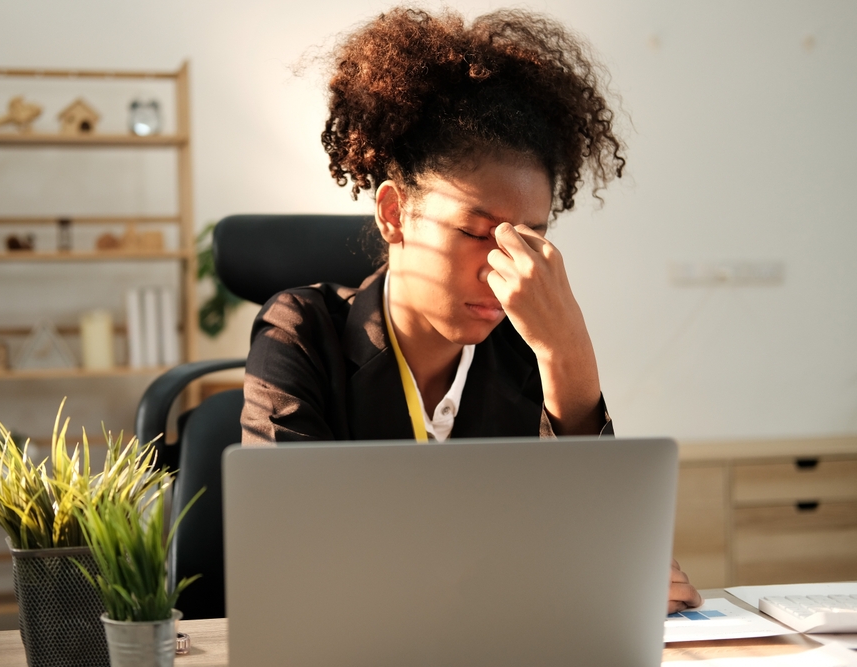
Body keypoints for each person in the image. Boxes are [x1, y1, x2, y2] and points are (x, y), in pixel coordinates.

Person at [240, 7, 701, 612]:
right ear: (394, 214)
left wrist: (568, 357)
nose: (503, 267)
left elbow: (597, 547)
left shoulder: (525, 351)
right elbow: (295, 554)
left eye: (527, 238)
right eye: (477, 232)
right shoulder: (299, 332)